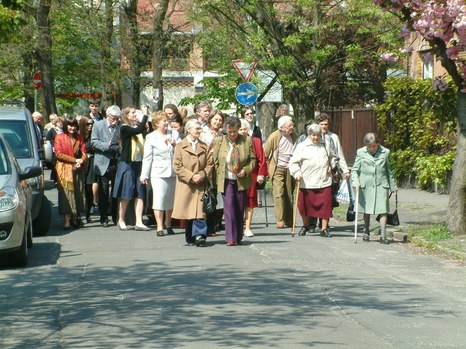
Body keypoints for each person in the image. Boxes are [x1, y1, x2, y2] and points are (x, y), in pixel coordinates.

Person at [212, 116, 256, 246]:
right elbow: (214, 161)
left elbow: (252, 160)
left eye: (234, 131)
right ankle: (230, 238)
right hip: (226, 179)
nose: (232, 134)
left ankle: (238, 236)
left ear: (238, 130)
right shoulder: (219, 141)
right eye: (229, 131)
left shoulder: (246, 141)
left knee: (239, 207)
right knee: (229, 207)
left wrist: (246, 170)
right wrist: (216, 177)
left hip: (241, 180)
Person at [288, 123, 336, 238]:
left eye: (318, 135)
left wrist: (331, 165)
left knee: (325, 206)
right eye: (313, 135)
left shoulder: (325, 144)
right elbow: (293, 163)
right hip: (307, 181)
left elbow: (333, 157)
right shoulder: (302, 146)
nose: (316, 138)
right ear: (309, 135)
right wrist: (297, 173)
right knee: (304, 206)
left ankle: (324, 229)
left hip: (323, 180)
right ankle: (305, 226)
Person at [172, 119, 214, 247]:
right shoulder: (180, 146)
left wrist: (201, 175)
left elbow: (210, 164)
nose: (199, 131)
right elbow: (177, 166)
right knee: (189, 212)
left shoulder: (204, 146)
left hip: (201, 184)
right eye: (197, 128)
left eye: (200, 128)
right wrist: (191, 176)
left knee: (199, 212)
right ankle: (190, 236)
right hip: (186, 184)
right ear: (188, 129)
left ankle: (200, 235)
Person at [351, 133, 397, 244]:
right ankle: (366, 231)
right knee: (367, 209)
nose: (372, 148)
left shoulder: (385, 152)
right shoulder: (360, 152)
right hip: (366, 185)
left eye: (374, 146)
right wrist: (356, 182)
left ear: (378, 143)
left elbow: (388, 170)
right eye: (370, 146)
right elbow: (355, 170)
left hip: (381, 184)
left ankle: (383, 235)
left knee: (383, 210)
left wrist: (393, 186)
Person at [112, 106, 149, 231]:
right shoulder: (124, 128)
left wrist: (144, 124)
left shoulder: (136, 128)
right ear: (126, 115)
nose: (135, 114)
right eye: (133, 113)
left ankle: (139, 221)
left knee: (140, 193)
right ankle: (121, 219)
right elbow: (139, 129)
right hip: (127, 164)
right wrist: (145, 115)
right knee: (126, 193)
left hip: (139, 163)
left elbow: (143, 133)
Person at [140, 111, 176, 237]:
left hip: (172, 172)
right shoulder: (151, 137)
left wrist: (175, 143)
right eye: (163, 121)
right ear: (156, 123)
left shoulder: (173, 133)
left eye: (167, 120)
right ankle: (159, 226)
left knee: (170, 200)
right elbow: (147, 157)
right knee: (159, 199)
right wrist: (144, 174)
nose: (166, 123)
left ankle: (169, 223)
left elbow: (181, 151)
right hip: (158, 172)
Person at [263, 115, 298, 228]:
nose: (292, 127)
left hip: (290, 168)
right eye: (289, 125)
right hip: (277, 168)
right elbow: (265, 153)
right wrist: (266, 169)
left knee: (288, 193)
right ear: (282, 127)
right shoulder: (274, 136)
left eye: (292, 125)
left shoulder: (294, 136)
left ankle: (289, 219)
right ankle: (280, 219)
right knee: (278, 193)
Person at [54, 117, 87, 230]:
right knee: (66, 194)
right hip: (64, 170)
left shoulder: (79, 137)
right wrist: (74, 160)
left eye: (74, 125)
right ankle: (67, 220)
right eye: (70, 125)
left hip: (78, 170)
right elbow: (58, 154)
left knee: (77, 193)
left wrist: (81, 161)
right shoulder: (59, 137)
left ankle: (75, 218)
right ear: (65, 126)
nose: (72, 128)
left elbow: (84, 152)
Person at [91, 105, 122, 227]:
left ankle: (116, 216)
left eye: (117, 118)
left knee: (116, 191)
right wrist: (107, 145)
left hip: (116, 161)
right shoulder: (98, 125)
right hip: (103, 161)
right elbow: (94, 141)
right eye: (113, 118)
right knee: (103, 191)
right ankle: (103, 217)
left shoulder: (120, 126)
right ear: (107, 116)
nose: (115, 120)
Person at [238, 119, 267, 237]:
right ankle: (238, 226)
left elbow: (261, 159)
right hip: (237, 176)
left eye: (244, 129)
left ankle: (248, 227)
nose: (242, 131)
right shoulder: (233, 142)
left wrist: (261, 174)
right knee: (238, 202)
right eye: (240, 129)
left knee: (250, 201)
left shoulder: (256, 141)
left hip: (252, 175)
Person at [199, 109, 225, 236]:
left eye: (220, 120)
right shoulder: (203, 133)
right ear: (210, 120)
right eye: (215, 119)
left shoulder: (223, 135)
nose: (218, 122)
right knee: (206, 197)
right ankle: (205, 226)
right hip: (206, 167)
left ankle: (214, 225)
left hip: (218, 169)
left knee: (214, 198)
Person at [78, 116, 96, 223]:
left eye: (91, 124)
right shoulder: (79, 136)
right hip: (80, 163)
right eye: (88, 124)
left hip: (91, 162)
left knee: (89, 188)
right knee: (80, 188)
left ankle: (88, 212)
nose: (90, 126)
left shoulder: (93, 135)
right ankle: (79, 213)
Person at [46, 116, 64, 183]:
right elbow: (47, 139)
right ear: (56, 123)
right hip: (54, 150)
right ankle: (55, 179)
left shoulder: (64, 131)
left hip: (63, 150)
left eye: (61, 122)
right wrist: (51, 146)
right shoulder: (52, 130)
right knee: (55, 164)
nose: (60, 123)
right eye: (58, 122)